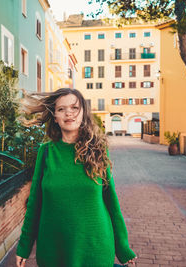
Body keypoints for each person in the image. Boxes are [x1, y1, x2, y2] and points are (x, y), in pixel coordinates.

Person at [16, 88, 137, 267]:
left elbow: (111, 201)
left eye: (74, 107)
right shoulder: (47, 152)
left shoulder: (98, 150)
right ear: (55, 117)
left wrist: (123, 248)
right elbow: (35, 203)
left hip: (94, 248)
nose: (69, 113)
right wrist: (24, 247)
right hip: (54, 249)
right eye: (61, 109)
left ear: (83, 113)